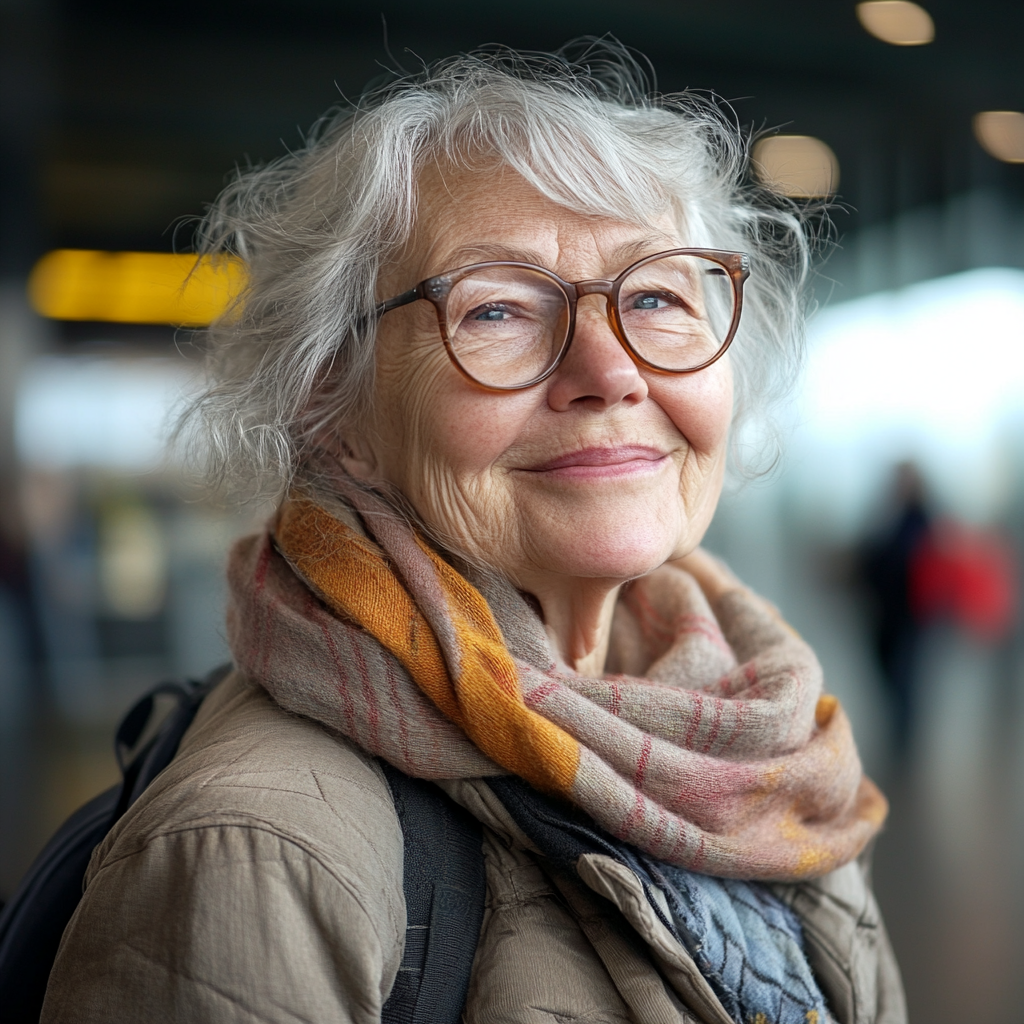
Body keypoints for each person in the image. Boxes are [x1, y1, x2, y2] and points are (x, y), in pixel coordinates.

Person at [41, 42, 904, 1024]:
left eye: (657, 295)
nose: (609, 370)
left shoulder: (769, 758)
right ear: (339, 412)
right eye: (497, 307)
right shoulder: (254, 849)